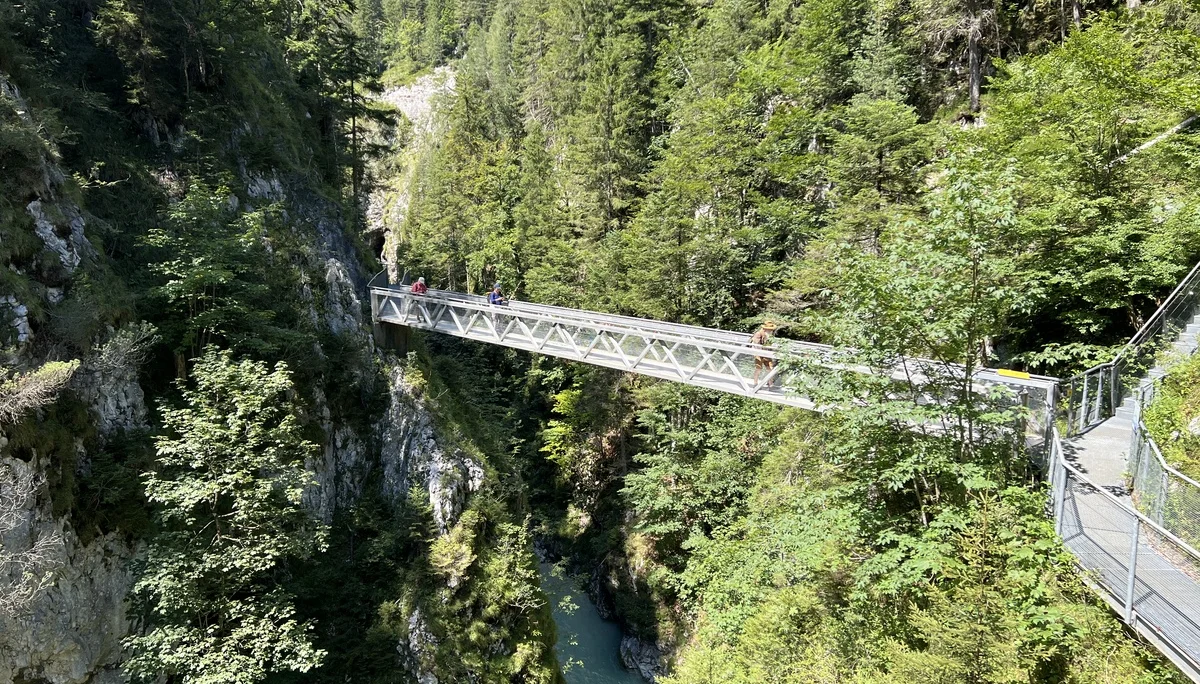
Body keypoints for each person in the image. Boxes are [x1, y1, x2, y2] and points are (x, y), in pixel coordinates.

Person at [751, 320, 778, 387]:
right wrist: (761, 352)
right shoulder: (758, 334)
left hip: (767, 353)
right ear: (765, 328)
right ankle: (755, 383)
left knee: (770, 368)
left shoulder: (771, 335)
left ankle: (770, 383)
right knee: (758, 368)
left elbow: (771, 344)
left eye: (771, 329)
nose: (770, 331)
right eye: (769, 329)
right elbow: (756, 344)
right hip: (758, 353)